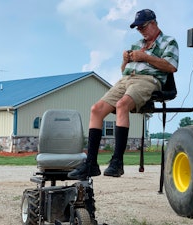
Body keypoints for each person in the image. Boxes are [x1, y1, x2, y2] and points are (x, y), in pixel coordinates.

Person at [68, 9, 179, 180]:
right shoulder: (136, 44)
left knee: (122, 105)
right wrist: (125, 60)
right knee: (96, 109)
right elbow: (123, 71)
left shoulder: (169, 41)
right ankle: (91, 164)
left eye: (143, 27)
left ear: (154, 24)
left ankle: (117, 162)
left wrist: (145, 57)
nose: (140, 30)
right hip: (127, 79)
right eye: (138, 28)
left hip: (149, 80)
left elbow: (171, 67)